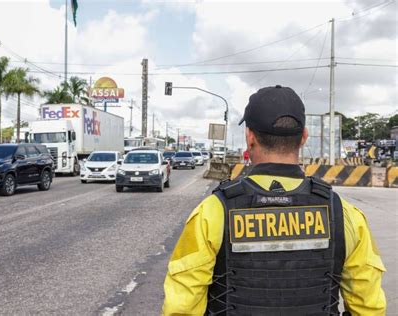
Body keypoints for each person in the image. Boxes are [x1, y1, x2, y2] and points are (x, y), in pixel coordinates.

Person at [162, 85, 386, 315]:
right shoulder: (344, 214)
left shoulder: (212, 212)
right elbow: (369, 308)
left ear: (250, 137)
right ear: (304, 137)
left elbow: (181, 308)